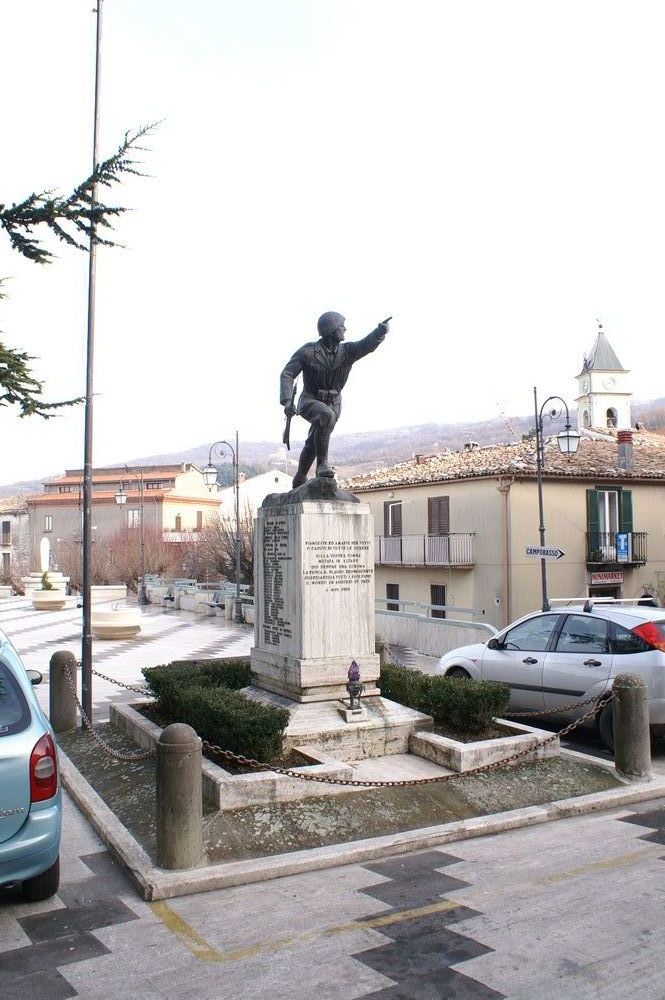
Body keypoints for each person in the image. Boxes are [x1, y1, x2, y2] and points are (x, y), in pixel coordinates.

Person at [280, 311, 390, 487]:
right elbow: (287, 374)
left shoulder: (347, 351)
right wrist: (287, 401)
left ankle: (300, 476)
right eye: (341, 326)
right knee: (326, 416)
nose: (345, 329)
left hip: (334, 402)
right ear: (331, 330)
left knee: (315, 440)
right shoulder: (308, 351)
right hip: (310, 400)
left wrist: (380, 332)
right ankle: (321, 465)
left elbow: (366, 345)